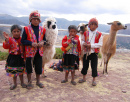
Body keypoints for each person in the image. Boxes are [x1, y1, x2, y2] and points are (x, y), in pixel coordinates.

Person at [21, 10, 46, 89]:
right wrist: (31, 43)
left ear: (39, 20)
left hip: (39, 51)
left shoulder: (43, 30)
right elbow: (23, 40)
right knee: (29, 66)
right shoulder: (26, 29)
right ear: (30, 20)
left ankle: (38, 81)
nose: (36, 20)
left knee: (38, 66)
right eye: (34, 19)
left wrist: (42, 43)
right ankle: (29, 82)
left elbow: (45, 40)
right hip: (29, 52)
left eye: (37, 19)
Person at [78, 18, 103, 86]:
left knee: (94, 66)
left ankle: (94, 80)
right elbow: (82, 40)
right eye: (92, 24)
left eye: (95, 24)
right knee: (85, 66)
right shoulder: (86, 33)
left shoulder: (99, 34)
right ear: (89, 25)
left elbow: (100, 44)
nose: (93, 26)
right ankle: (84, 78)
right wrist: (84, 43)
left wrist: (91, 45)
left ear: (97, 26)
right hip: (86, 52)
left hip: (94, 53)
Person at [3, 25, 26, 90]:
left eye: (18, 31)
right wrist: (7, 40)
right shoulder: (10, 39)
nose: (16, 33)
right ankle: (14, 84)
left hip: (20, 57)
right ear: (12, 32)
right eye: (14, 31)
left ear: (20, 32)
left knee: (21, 71)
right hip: (12, 57)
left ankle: (22, 83)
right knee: (14, 71)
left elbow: (25, 48)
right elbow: (5, 47)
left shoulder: (22, 40)